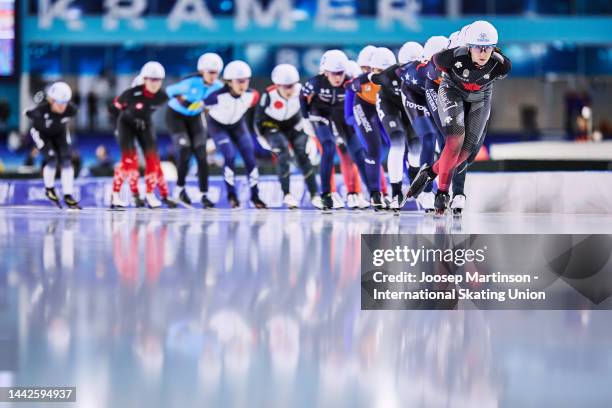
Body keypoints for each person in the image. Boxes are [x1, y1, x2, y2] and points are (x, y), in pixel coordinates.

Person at [407, 21, 512, 214]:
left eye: (488, 49)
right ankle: (442, 192)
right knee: (454, 140)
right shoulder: (447, 57)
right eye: (478, 48)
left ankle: (430, 173)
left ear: (494, 48)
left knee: (467, 152)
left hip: (480, 98)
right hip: (452, 91)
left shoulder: (501, 65)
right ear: (468, 46)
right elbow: (429, 75)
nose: (483, 54)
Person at [300, 49, 369, 211]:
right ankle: (328, 193)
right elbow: (303, 99)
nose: (337, 78)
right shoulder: (315, 82)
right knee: (328, 150)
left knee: (351, 155)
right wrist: (306, 120)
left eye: (341, 73)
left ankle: (357, 193)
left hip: (341, 120)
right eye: (333, 73)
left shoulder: (351, 80)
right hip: (321, 120)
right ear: (325, 72)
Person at [254, 63, 322, 209]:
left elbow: (309, 115)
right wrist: (261, 139)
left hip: (294, 125)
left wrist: (311, 137)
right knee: (283, 153)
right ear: (277, 85)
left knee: (303, 155)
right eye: (286, 86)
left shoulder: (301, 91)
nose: (290, 90)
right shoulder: (268, 95)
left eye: (292, 85)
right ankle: (287, 194)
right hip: (272, 126)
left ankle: (315, 195)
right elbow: (257, 120)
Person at [110, 61, 177, 209]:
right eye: (150, 81)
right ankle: (117, 195)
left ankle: (152, 194)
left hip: (145, 125)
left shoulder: (162, 96)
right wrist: (117, 127)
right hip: (126, 125)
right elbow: (113, 108)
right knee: (129, 161)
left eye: (158, 81)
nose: (154, 85)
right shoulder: (131, 94)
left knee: (153, 160)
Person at [204, 60, 267, 209]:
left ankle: (255, 196)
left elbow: (252, 109)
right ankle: (231, 195)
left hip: (238, 125)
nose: (243, 85)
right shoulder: (215, 96)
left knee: (250, 157)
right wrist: (207, 137)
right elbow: (201, 109)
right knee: (230, 155)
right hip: (218, 126)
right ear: (229, 82)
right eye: (239, 81)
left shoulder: (253, 95)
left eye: (246, 81)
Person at [395, 36, 448, 212]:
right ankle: (425, 192)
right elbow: (396, 73)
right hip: (414, 96)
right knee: (429, 136)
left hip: (431, 95)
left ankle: (443, 190)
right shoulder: (416, 70)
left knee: (445, 141)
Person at [165, 53, 224, 208]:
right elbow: (169, 91)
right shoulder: (191, 83)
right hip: (176, 117)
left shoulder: (218, 87)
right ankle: (178, 191)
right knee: (184, 151)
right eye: (210, 72)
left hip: (195, 118)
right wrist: (181, 99)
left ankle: (204, 194)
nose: (213, 76)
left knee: (201, 154)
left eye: (216, 73)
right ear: (202, 71)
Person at [370, 42, 423, 210]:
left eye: (417, 66)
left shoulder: (426, 74)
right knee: (398, 142)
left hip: (410, 106)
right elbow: (373, 77)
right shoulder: (389, 74)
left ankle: (417, 186)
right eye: (408, 67)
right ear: (399, 65)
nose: (412, 70)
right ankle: (396, 192)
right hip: (389, 104)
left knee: (416, 148)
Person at [346, 47, 397, 210]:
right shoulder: (363, 80)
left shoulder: (396, 77)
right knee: (373, 149)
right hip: (365, 109)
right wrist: (351, 118)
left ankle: (406, 190)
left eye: (386, 71)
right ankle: (375, 193)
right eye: (377, 71)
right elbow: (350, 88)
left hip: (383, 108)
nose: (381, 76)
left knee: (398, 144)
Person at [25, 81, 80, 209]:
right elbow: (27, 113)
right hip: (41, 133)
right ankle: (49, 188)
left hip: (59, 132)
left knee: (67, 160)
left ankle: (68, 195)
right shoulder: (40, 111)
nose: (63, 107)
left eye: (65, 103)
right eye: (60, 103)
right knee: (52, 159)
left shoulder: (71, 109)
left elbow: (68, 115)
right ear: (51, 101)